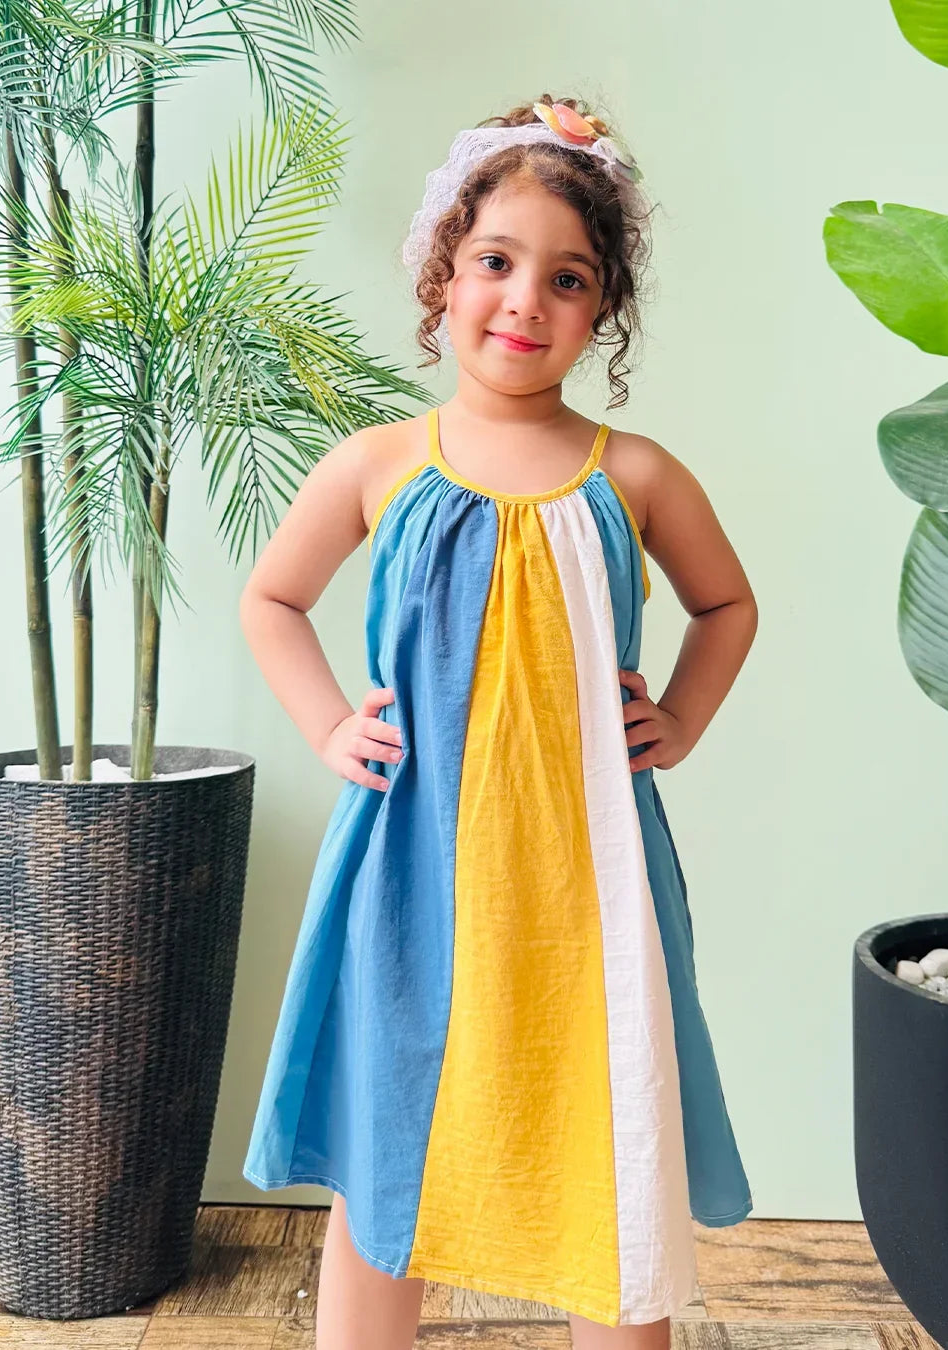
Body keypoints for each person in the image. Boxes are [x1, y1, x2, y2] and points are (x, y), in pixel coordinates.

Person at [239, 93, 758, 1350]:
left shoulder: (632, 475)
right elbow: (272, 599)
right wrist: (326, 729)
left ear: (603, 310)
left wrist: (679, 717)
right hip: (410, 870)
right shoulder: (379, 463)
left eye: (567, 278)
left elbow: (727, 604)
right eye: (495, 262)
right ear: (442, 272)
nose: (525, 300)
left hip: (592, 877)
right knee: (391, 1148)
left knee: (609, 1133)